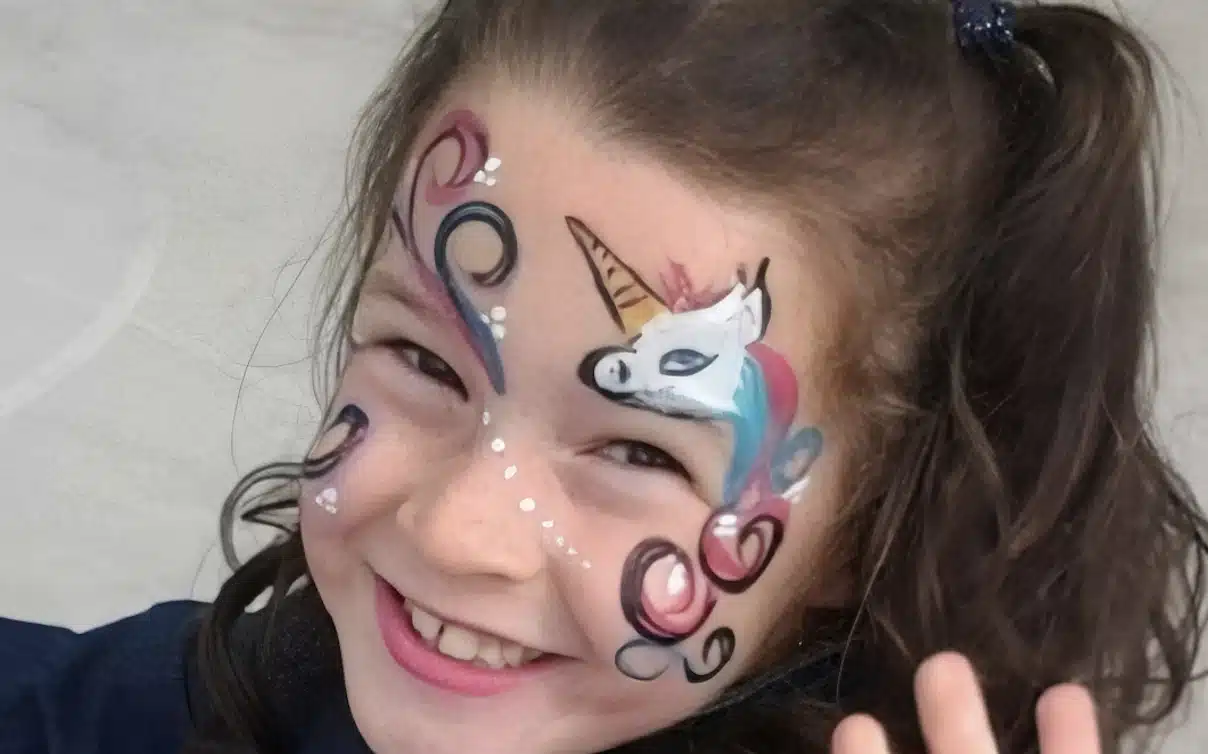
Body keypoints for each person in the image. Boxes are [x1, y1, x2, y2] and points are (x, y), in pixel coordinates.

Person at [2, 1, 1205, 753]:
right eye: (423, 360)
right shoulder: (297, 671)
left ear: (867, 526)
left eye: (636, 449)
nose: (457, 527)